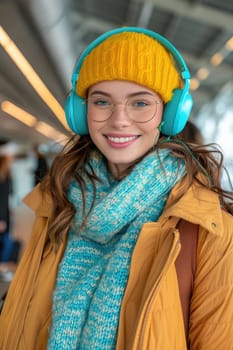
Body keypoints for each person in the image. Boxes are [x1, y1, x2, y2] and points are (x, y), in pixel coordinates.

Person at [0, 27, 233, 350]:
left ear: (170, 113)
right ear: (81, 113)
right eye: (101, 101)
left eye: (140, 103)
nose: (119, 119)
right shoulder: (56, 205)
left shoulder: (210, 228)